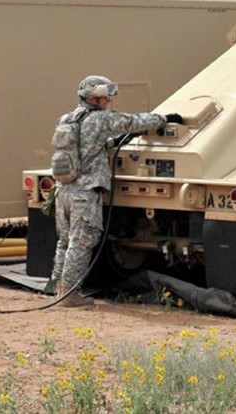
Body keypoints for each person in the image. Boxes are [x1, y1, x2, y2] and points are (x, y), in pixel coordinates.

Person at [49, 75, 183, 307]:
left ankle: (57, 287)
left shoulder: (67, 118)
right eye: (106, 97)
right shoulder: (100, 119)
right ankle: (69, 295)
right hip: (85, 193)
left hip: (63, 191)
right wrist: (164, 119)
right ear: (96, 97)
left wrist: (115, 142)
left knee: (64, 241)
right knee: (81, 242)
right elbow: (134, 121)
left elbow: (85, 148)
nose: (109, 100)